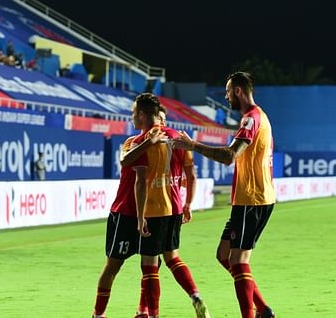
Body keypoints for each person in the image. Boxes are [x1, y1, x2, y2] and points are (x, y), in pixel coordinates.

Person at [173, 72, 276, 318]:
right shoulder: (259, 116)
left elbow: (230, 156)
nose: (227, 96)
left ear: (239, 91)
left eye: (228, 91)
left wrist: (194, 146)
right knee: (224, 255)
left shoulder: (250, 120)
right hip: (250, 198)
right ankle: (263, 309)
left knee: (239, 261)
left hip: (252, 198)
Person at [122, 105, 210, 318]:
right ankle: (195, 296)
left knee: (149, 265)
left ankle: (152, 314)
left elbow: (140, 180)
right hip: (175, 208)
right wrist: (188, 204)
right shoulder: (179, 139)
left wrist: (140, 216)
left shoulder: (141, 141)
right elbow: (191, 176)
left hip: (153, 209)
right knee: (172, 258)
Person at [91, 115, 165, 318]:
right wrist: (149, 142)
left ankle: (142, 311)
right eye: (160, 120)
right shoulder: (132, 142)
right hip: (125, 214)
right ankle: (98, 314)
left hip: (151, 214)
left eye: (164, 121)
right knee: (113, 265)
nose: (162, 125)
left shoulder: (164, 148)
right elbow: (127, 163)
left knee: (152, 264)